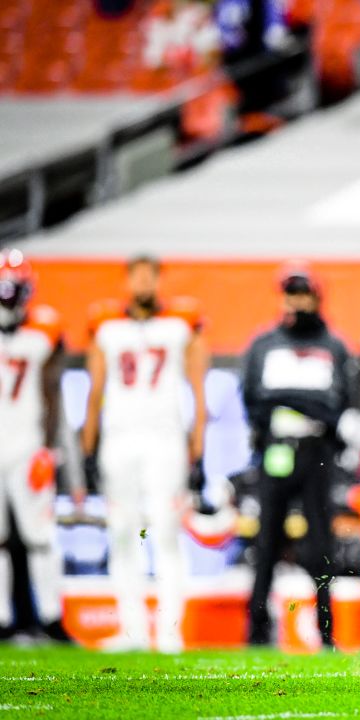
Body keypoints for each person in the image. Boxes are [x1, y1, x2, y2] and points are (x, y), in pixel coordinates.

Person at [83, 255, 208, 652]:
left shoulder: (180, 324)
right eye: (136, 276)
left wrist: (198, 443)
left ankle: (170, 631)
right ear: (126, 280)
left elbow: (198, 388)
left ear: (157, 280)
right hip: (119, 440)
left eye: (148, 276)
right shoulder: (107, 326)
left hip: (164, 439)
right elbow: (94, 390)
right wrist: (89, 447)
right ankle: (132, 629)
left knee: (166, 532)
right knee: (122, 534)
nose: (142, 284)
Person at [241, 263, 353, 646]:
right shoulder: (264, 345)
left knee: (321, 547)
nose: (298, 301)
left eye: (304, 294)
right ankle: (256, 633)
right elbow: (254, 403)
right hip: (276, 451)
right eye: (292, 293)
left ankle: (326, 634)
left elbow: (334, 407)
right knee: (266, 542)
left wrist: (285, 399)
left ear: (316, 298)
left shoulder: (333, 346)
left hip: (316, 454)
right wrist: (304, 402)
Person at [0, 249, 67, 641]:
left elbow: (52, 396)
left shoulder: (44, 333)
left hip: (27, 444)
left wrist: (48, 448)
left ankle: (51, 617)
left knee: (40, 535)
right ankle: (5, 620)